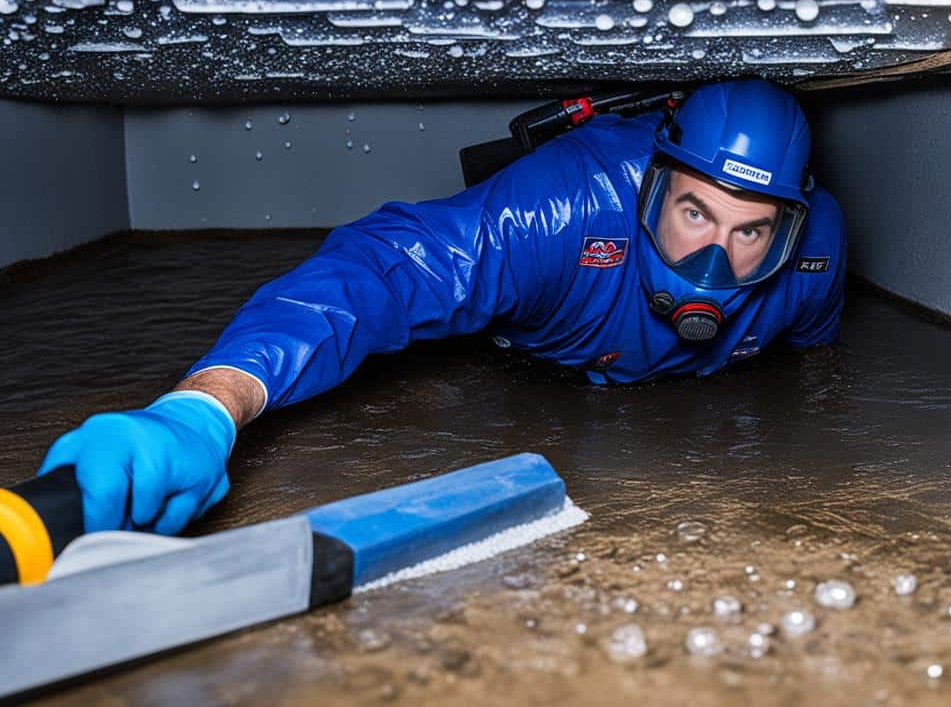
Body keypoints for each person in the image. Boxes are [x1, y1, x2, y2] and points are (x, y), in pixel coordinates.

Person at [38, 79, 847, 536]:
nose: (717, 257)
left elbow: (818, 384)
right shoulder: (561, 211)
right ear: (654, 186)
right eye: (695, 213)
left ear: (789, 228)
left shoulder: (815, 260)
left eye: (752, 231)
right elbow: (380, 274)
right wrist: (208, 407)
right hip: (533, 362)